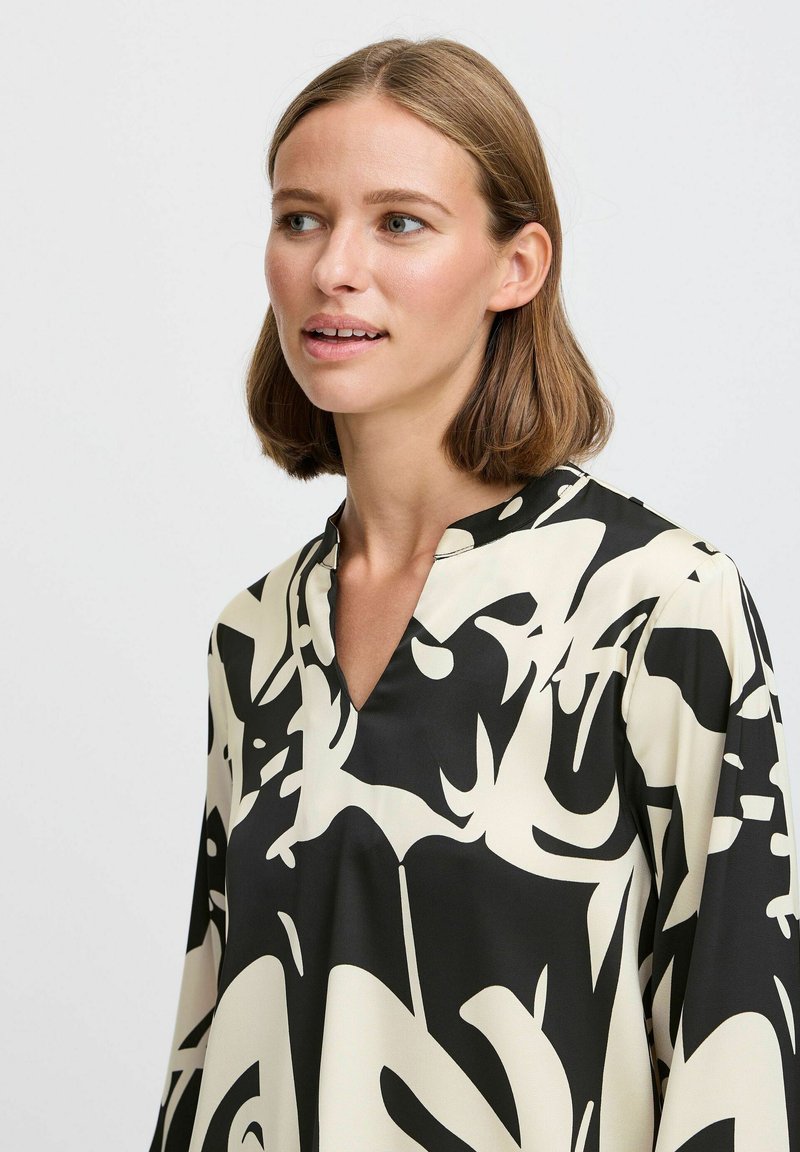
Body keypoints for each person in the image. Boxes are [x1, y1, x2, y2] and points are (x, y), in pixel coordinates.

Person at [147, 36, 800, 1152]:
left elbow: (738, 1052)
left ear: (517, 266)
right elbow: (211, 1042)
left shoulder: (655, 605)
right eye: (300, 218)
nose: (333, 267)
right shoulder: (252, 638)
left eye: (399, 222)